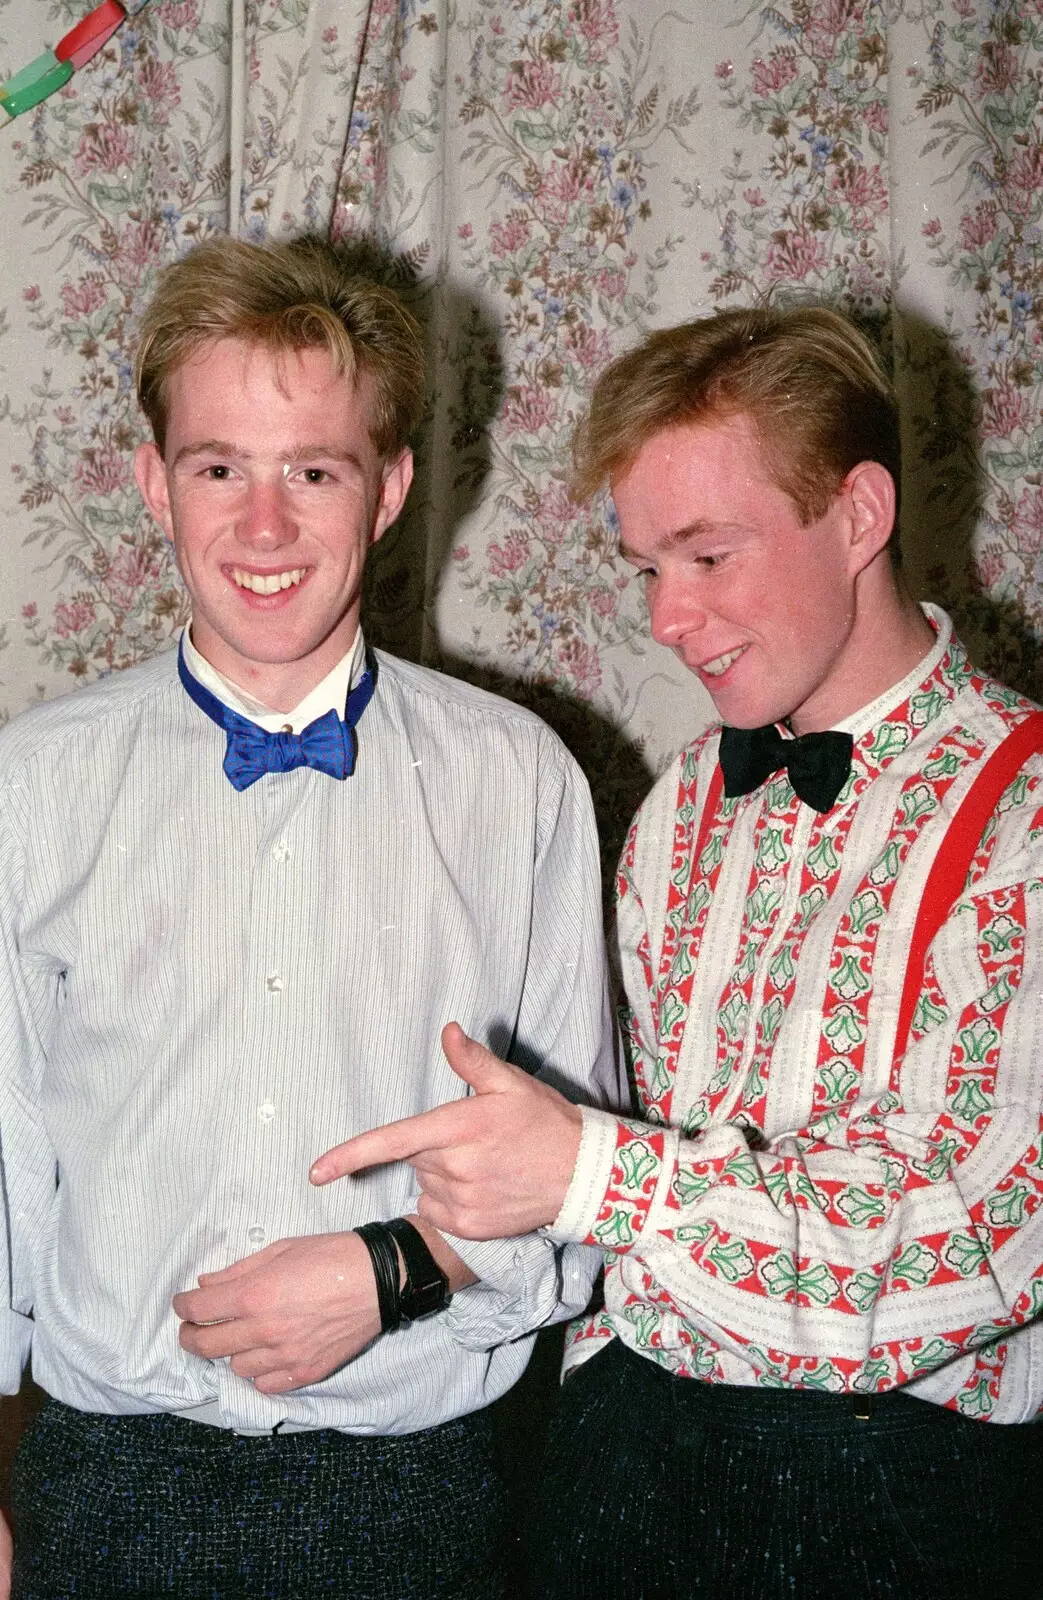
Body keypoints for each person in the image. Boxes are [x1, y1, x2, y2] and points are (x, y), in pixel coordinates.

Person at [314, 305, 1043, 1598]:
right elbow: (597, 1165)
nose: (668, 616)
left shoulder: (1023, 817)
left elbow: (960, 1248)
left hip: (899, 1501)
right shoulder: (687, 796)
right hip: (624, 1464)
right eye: (646, 566)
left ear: (859, 514)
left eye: (707, 555)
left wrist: (591, 1174)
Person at [0, 234, 618, 1599]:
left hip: (424, 1507)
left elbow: (588, 1181)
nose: (264, 526)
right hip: (106, 1499)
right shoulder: (29, 786)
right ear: (152, 483)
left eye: (314, 471)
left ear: (389, 490)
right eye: (220, 466)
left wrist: (394, 1270)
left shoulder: (518, 781)